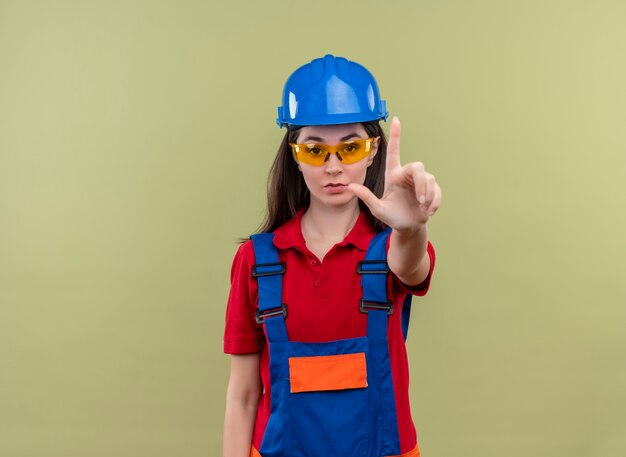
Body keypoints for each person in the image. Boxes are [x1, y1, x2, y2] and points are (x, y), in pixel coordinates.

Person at [223, 54, 441, 457]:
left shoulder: (391, 246)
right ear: (294, 153)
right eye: (315, 150)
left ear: (373, 151)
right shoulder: (257, 261)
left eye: (350, 147)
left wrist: (411, 226)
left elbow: (411, 265)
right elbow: (242, 395)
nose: (334, 166)